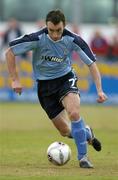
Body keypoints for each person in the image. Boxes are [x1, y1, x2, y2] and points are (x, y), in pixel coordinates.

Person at [6, 10, 107, 168]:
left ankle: (83, 158)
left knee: (74, 112)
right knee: (66, 131)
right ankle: (88, 134)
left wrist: (100, 90)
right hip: (45, 87)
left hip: (65, 79)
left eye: (58, 30)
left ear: (64, 26)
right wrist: (15, 80)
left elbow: (91, 63)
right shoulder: (37, 38)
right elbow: (10, 52)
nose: (54, 35)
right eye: (51, 30)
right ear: (46, 26)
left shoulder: (73, 39)